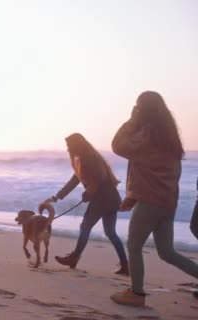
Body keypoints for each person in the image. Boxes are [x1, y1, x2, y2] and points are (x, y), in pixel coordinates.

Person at [110, 91, 198, 307]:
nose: (136, 110)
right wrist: (134, 195)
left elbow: (119, 146)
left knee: (134, 245)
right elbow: (161, 171)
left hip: (150, 202)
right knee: (167, 252)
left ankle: (136, 294)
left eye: (138, 106)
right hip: (167, 203)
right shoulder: (169, 137)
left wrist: (132, 121)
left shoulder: (148, 134)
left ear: (144, 109)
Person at [43, 133, 128, 275]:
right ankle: (125, 265)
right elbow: (74, 181)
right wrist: (57, 197)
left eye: (69, 146)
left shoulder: (88, 158)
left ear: (76, 145)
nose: (68, 150)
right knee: (110, 232)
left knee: (85, 227)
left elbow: (99, 178)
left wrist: (89, 193)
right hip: (112, 199)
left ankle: (74, 258)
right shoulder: (86, 157)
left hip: (102, 200)